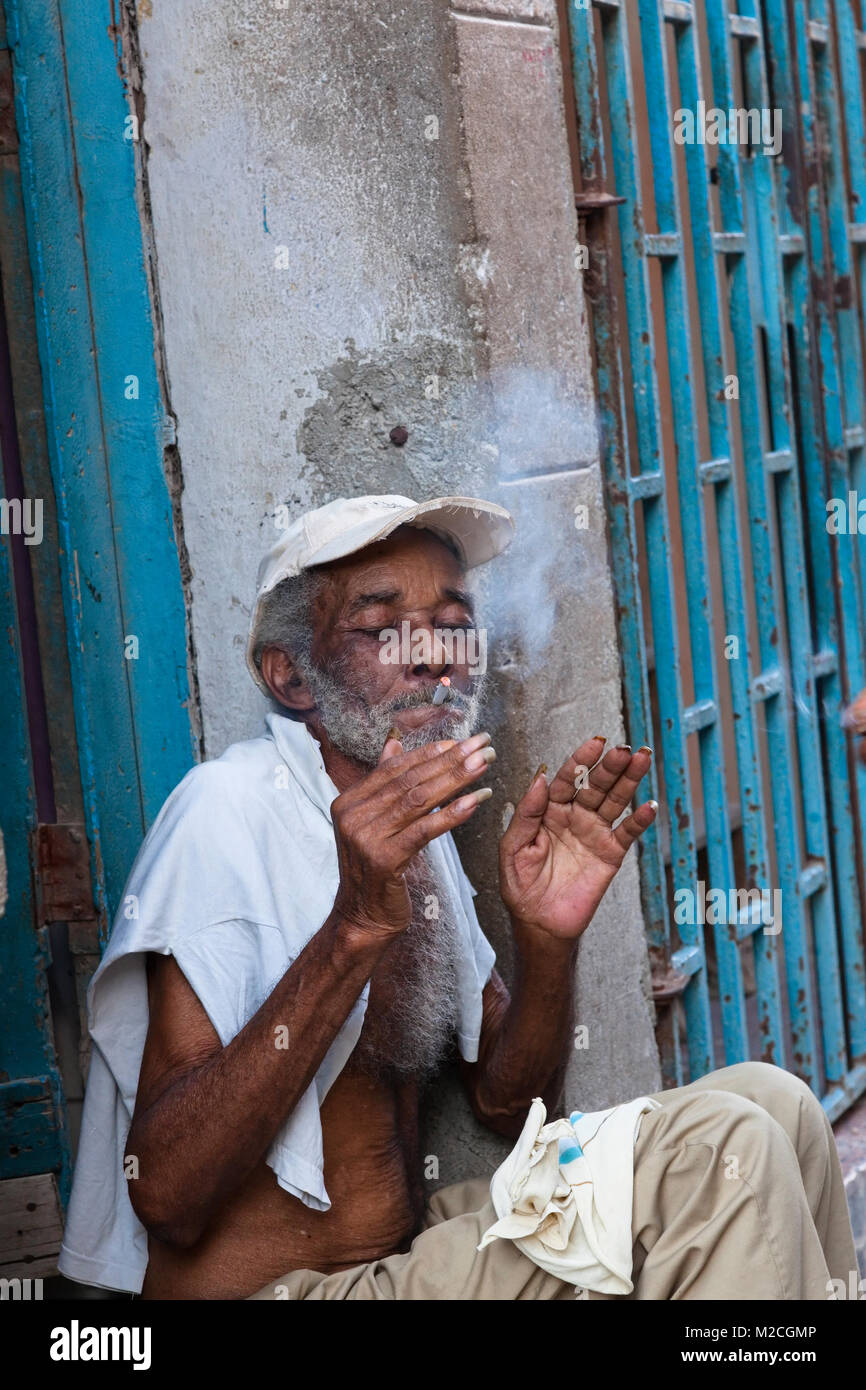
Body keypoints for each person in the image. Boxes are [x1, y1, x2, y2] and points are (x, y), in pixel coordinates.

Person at [57, 494, 857, 1300]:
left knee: (777, 1106)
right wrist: (353, 929)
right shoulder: (223, 812)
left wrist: (545, 940)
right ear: (290, 674)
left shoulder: (417, 823)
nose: (433, 655)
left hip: (405, 1255)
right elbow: (167, 1195)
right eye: (382, 628)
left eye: (453, 624)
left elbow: (511, 1103)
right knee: (724, 1149)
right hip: (286, 1291)